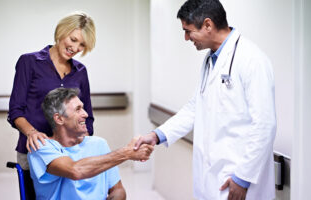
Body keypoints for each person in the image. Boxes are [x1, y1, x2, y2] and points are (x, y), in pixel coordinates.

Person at [134, 0, 276, 199]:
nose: (186, 38)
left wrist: (243, 178)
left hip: (238, 180)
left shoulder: (252, 60)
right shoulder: (211, 60)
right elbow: (195, 108)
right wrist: (157, 135)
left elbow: (264, 124)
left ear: (208, 25)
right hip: (212, 178)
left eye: (188, 30)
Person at [8, 12, 95, 177]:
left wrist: (85, 144)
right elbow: (15, 111)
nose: (75, 48)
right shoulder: (29, 63)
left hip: (71, 154)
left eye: (82, 45)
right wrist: (32, 133)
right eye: (73, 39)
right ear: (61, 32)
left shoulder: (81, 71)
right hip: (34, 151)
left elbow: (87, 116)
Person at [28, 87, 153, 200]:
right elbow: (75, 171)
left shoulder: (99, 144)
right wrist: (127, 153)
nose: (86, 114)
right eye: (78, 110)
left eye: (83, 108)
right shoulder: (40, 147)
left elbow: (118, 190)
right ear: (59, 119)